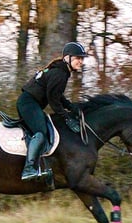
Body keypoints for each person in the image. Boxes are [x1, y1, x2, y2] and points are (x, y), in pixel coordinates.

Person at [17, 41, 88, 181]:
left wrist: (70, 106)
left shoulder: (61, 71)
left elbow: (56, 94)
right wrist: (66, 116)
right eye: (77, 58)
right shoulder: (60, 73)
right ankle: (29, 169)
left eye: (82, 58)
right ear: (67, 58)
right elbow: (52, 99)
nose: (81, 61)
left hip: (31, 104)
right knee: (41, 132)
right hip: (28, 104)